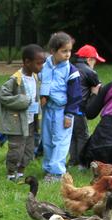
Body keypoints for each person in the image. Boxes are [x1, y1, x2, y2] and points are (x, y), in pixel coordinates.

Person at [0, 44, 46, 181]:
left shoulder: (36, 77)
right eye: (38, 63)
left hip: (31, 121)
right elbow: (3, 96)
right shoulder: (16, 79)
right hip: (17, 122)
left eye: (42, 63)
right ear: (27, 62)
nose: (41, 66)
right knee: (16, 149)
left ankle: (21, 170)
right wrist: (23, 101)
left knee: (29, 148)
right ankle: (11, 172)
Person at [39, 32, 83, 183]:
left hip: (62, 110)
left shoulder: (71, 71)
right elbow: (41, 82)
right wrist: (42, 97)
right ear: (53, 51)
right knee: (47, 138)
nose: (67, 54)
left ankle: (57, 172)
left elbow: (75, 95)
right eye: (64, 51)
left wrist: (69, 115)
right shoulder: (45, 66)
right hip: (47, 109)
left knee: (60, 140)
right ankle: (48, 167)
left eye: (69, 51)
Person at [68, 44, 104, 169]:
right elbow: (99, 89)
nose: (96, 64)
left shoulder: (71, 67)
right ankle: (82, 163)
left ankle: (73, 161)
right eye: (95, 61)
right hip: (79, 109)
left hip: (67, 109)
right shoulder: (90, 71)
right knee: (82, 135)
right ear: (89, 59)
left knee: (72, 135)